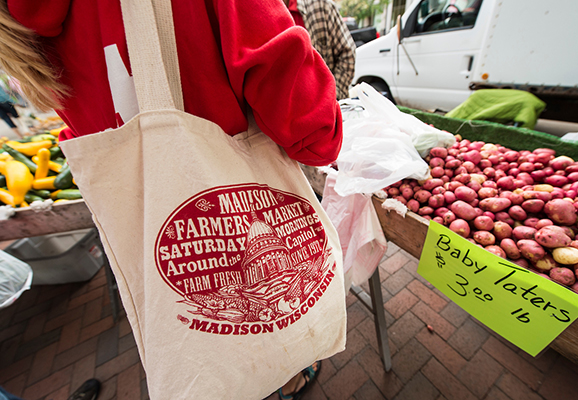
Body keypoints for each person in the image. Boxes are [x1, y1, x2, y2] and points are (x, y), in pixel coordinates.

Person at [0, 1, 342, 399]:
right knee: (268, 338)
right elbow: (315, 133)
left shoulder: (19, 21)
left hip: (166, 245)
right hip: (245, 203)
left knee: (209, 343)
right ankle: (285, 378)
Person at [284, 0, 356, 100]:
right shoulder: (264, 16)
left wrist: (332, 96)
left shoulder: (322, 6)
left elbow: (347, 53)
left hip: (326, 104)